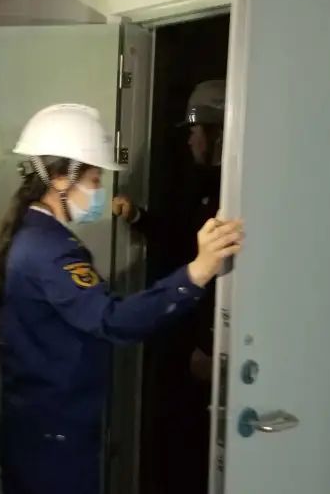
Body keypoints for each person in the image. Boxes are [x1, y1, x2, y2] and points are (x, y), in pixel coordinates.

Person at [0, 104, 243, 494]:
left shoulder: (37, 235)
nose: (99, 191)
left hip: (43, 427)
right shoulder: (49, 249)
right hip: (54, 437)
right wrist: (196, 273)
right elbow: (112, 320)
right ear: (59, 179)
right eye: (94, 179)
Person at [112, 79, 225, 493]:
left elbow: (225, 273)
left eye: (197, 130)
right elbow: (183, 239)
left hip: (204, 339)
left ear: (218, 132)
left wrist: (208, 344)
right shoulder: (202, 185)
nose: (191, 139)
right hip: (186, 329)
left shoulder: (233, 191)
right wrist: (138, 217)